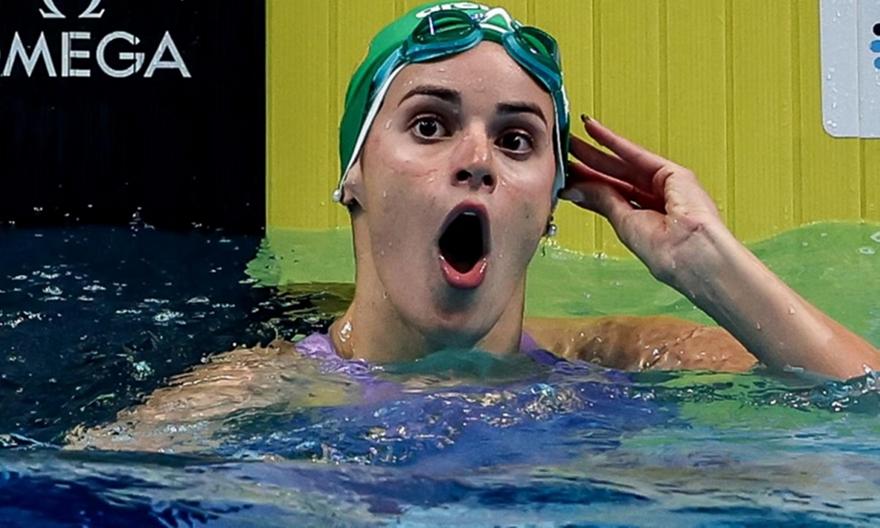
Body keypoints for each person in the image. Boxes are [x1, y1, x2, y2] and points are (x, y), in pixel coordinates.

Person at [66, 1, 878, 453]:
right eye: (430, 126)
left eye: (518, 140)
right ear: (354, 174)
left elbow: (865, 416)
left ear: (550, 201)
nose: (478, 160)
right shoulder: (250, 394)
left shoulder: (626, 356)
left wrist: (707, 265)